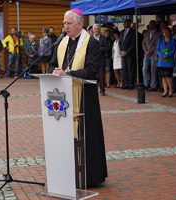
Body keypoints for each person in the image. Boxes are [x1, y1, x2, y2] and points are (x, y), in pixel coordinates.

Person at [48, 8, 107, 186]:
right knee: (64, 136)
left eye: (69, 23)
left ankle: (90, 176)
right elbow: (51, 65)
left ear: (80, 24)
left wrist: (68, 73)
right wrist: (55, 72)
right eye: (64, 23)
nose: (65, 27)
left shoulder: (91, 44)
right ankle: (66, 172)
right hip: (62, 96)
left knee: (86, 135)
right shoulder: (61, 42)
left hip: (84, 97)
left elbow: (92, 70)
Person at [156, 27, 176, 97]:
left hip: (169, 60)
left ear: (170, 33)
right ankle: (165, 91)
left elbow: (173, 50)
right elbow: (157, 50)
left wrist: (167, 55)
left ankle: (171, 90)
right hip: (161, 60)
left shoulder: (173, 40)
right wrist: (162, 55)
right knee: (163, 76)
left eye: (167, 32)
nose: (166, 34)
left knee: (168, 76)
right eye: (164, 32)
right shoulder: (160, 40)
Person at [142, 20, 161, 91]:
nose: (151, 26)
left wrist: (150, 51)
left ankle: (153, 85)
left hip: (153, 54)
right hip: (146, 54)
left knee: (153, 69)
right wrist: (145, 51)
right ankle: (145, 84)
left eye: (152, 24)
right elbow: (143, 43)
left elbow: (157, 44)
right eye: (150, 24)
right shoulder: (146, 33)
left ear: (155, 25)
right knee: (144, 69)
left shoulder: (158, 33)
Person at [119, 19, 136, 90]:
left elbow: (133, 44)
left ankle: (131, 83)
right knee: (124, 68)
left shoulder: (133, 32)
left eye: (125, 23)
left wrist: (127, 52)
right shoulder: (122, 32)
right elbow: (120, 43)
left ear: (129, 23)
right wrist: (121, 51)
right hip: (123, 53)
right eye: (123, 23)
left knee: (130, 69)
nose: (124, 25)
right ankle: (126, 83)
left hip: (130, 54)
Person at [93, 24, 108, 96]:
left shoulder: (104, 38)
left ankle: (102, 90)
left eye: (97, 29)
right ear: (93, 30)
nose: (96, 30)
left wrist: (99, 49)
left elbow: (107, 48)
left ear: (99, 30)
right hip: (92, 61)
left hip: (101, 60)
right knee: (92, 76)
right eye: (95, 29)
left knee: (101, 76)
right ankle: (92, 90)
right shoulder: (90, 38)